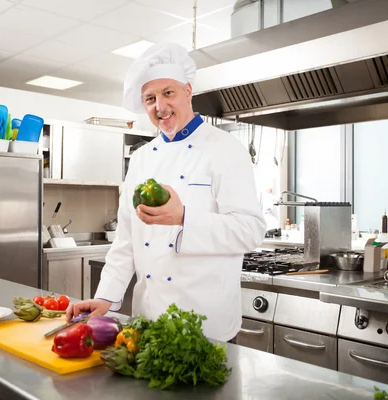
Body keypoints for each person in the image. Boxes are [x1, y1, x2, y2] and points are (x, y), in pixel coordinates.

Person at [66, 42, 266, 342]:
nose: (160, 106)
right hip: (150, 320)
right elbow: (126, 241)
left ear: (188, 91)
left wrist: (184, 217)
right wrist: (105, 298)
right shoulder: (142, 158)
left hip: (207, 325)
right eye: (150, 98)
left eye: (168, 93)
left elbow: (251, 231)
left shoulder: (226, 149)